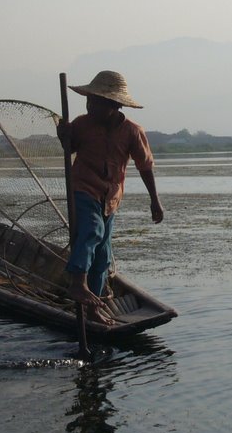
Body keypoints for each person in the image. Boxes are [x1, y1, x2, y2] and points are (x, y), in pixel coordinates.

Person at [57, 70, 164, 325]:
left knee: (103, 256)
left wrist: (155, 201)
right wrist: (64, 136)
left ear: (113, 105)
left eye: (96, 102)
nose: (89, 106)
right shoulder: (83, 125)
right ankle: (77, 283)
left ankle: (93, 305)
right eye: (89, 101)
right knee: (91, 231)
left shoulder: (132, 132)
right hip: (84, 188)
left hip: (111, 198)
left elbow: (145, 167)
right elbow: (69, 149)